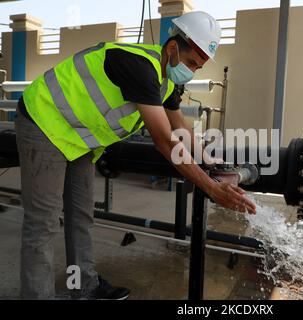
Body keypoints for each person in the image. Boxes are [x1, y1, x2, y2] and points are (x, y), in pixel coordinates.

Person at [15, 11, 256, 300]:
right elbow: (166, 142)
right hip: (44, 122)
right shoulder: (140, 66)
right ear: (172, 48)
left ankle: (82, 286)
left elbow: (179, 126)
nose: (193, 71)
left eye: (199, 67)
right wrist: (211, 188)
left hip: (78, 138)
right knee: (43, 222)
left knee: (80, 215)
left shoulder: (167, 80)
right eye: (191, 62)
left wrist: (209, 160)